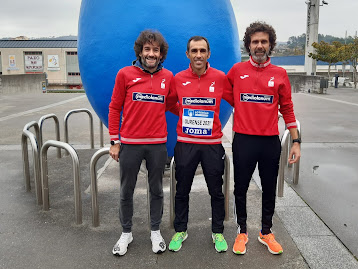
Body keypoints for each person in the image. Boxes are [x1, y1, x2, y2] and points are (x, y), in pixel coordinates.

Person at [227, 21, 301, 255]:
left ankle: (266, 231)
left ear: (270, 45)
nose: (259, 46)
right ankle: (242, 231)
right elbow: (226, 93)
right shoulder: (237, 71)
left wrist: (296, 141)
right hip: (243, 141)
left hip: (270, 142)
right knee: (240, 188)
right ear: (248, 45)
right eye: (255, 42)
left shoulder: (279, 74)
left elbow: (287, 108)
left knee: (269, 188)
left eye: (264, 42)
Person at [108, 30, 175, 256]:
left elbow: (174, 104)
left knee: (156, 189)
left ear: (161, 54)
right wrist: (114, 141)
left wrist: (199, 109)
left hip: (157, 144)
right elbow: (115, 107)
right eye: (147, 49)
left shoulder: (168, 78)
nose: (151, 54)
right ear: (140, 51)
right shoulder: (125, 74)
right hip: (130, 144)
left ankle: (155, 231)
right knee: (126, 190)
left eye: (156, 50)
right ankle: (126, 232)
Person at [167, 36, 233, 253]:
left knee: (216, 191)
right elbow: (170, 103)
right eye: (194, 51)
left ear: (208, 54)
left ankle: (217, 232)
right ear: (187, 54)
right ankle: (181, 230)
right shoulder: (178, 78)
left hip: (212, 144)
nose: (198, 55)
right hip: (186, 144)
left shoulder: (220, 77)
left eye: (202, 50)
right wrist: (185, 114)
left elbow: (237, 100)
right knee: (181, 190)